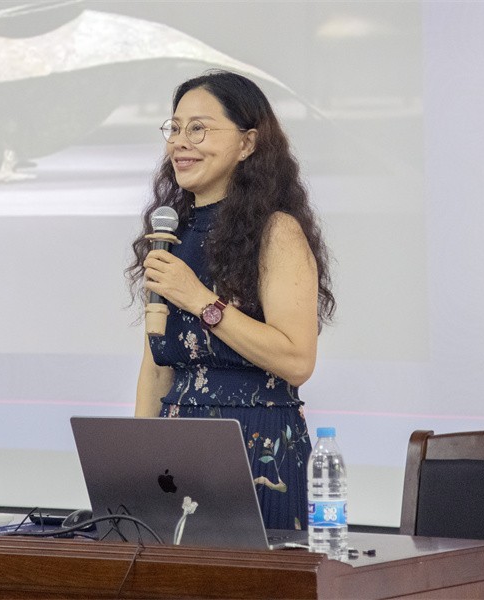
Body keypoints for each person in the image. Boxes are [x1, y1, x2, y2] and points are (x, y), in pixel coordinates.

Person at [127, 70, 335, 531]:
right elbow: (157, 367)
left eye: (199, 128)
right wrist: (138, 467)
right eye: (175, 128)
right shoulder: (170, 235)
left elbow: (297, 360)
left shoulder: (276, 232)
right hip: (175, 455)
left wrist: (201, 300)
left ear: (247, 143)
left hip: (258, 449)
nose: (181, 142)